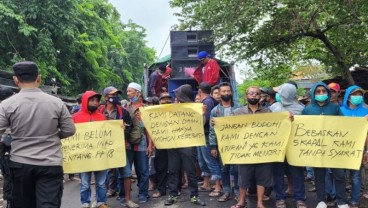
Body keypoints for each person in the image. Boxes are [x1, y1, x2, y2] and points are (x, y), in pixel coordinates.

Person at [0, 61, 76, 208]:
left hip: (20, 164)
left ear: (15, 80)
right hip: (50, 163)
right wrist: (52, 136)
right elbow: (70, 130)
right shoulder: (57, 103)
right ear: (39, 78)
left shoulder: (7, 105)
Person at [302, 82, 348, 208]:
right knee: (319, 175)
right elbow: (302, 128)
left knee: (339, 175)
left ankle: (342, 201)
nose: (321, 93)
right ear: (313, 94)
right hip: (317, 148)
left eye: (324, 91)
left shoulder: (335, 108)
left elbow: (344, 125)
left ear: (328, 93)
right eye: (318, 91)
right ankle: (321, 200)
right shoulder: (307, 110)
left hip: (334, 148)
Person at [231, 86, 273, 208]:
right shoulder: (237, 112)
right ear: (246, 96)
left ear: (260, 97)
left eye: (256, 94)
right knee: (243, 177)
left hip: (262, 150)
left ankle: (260, 202)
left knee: (262, 177)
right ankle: (241, 201)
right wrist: (216, 123)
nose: (253, 95)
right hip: (244, 150)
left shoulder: (268, 112)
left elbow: (274, 128)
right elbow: (229, 128)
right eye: (251, 93)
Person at [164, 84, 206, 206]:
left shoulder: (195, 109)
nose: (175, 97)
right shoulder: (172, 108)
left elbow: (201, 125)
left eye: (178, 94)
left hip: (188, 145)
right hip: (173, 144)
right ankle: (172, 194)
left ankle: (194, 196)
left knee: (190, 171)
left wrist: (202, 114)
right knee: (173, 170)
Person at [73, 91, 110, 208]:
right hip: (83, 156)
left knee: (101, 183)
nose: (94, 103)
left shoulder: (102, 117)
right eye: (92, 100)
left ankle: (101, 202)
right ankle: (85, 203)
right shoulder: (75, 118)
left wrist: (119, 128)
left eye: (96, 101)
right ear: (85, 101)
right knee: (84, 183)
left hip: (100, 155)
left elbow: (109, 135)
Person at [272, 83, 306, 208]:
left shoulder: (301, 109)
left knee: (297, 173)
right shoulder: (273, 107)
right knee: (278, 173)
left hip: (294, 147)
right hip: (278, 146)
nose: (278, 95)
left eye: (280, 92)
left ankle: (300, 199)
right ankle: (280, 198)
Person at [209, 82, 241, 203]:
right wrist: (213, 146)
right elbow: (212, 131)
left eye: (228, 91)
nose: (226, 93)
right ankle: (227, 191)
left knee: (237, 169)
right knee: (224, 169)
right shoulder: (214, 111)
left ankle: (237, 192)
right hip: (222, 145)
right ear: (220, 94)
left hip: (237, 144)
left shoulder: (239, 108)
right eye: (224, 91)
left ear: (231, 93)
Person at [99, 86, 133, 199]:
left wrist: (124, 133)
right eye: (112, 95)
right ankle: (108, 192)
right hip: (103, 146)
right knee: (107, 171)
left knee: (126, 172)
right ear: (106, 97)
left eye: (116, 95)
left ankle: (126, 197)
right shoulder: (99, 111)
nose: (115, 97)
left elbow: (129, 127)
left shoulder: (123, 111)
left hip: (119, 146)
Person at [123, 82, 153, 205]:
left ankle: (143, 193)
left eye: (130, 91)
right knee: (127, 171)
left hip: (142, 144)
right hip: (128, 145)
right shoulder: (125, 108)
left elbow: (149, 128)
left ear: (137, 93)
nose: (128, 93)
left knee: (144, 170)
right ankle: (125, 195)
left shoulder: (145, 108)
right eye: (127, 91)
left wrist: (150, 145)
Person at [340, 85, 368, 208]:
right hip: (340, 148)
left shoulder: (366, 111)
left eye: (360, 94)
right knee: (340, 176)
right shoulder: (339, 110)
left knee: (356, 177)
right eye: (354, 94)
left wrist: (367, 150)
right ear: (348, 96)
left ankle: (354, 201)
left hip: (358, 148)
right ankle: (341, 200)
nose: (357, 97)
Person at [196, 82, 222, 198]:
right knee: (203, 161)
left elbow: (205, 120)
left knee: (211, 161)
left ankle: (218, 186)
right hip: (202, 135)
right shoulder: (208, 101)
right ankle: (206, 183)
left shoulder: (207, 102)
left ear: (200, 91)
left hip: (207, 135)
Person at [152, 92, 172, 199]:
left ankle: (175, 189)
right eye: (164, 99)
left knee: (174, 168)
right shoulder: (154, 113)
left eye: (168, 99)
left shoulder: (176, 111)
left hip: (174, 144)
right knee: (161, 168)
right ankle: (161, 190)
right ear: (160, 101)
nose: (166, 101)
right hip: (160, 144)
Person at [0, 87, 14, 208]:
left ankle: (8, 201)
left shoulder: (4, 108)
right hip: (13, 150)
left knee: (8, 177)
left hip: (6, 150)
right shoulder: (15, 106)